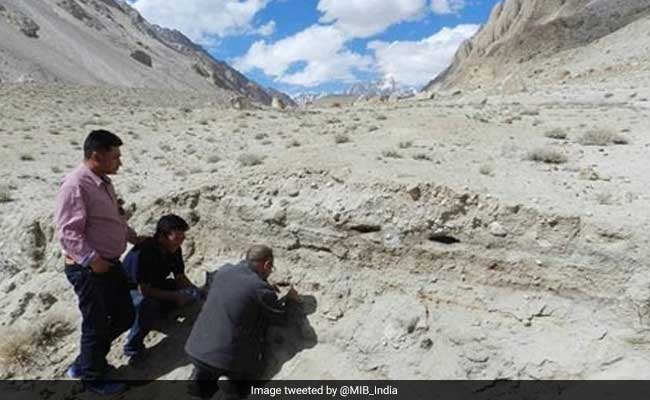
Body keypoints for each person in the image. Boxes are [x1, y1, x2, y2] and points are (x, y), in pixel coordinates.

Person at [54, 130, 143, 395]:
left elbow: (112, 217)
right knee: (96, 324)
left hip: (108, 264)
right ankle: (93, 378)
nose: (120, 162)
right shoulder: (75, 185)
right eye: (115, 156)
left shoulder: (103, 181)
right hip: (88, 269)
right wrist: (93, 261)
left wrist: (131, 236)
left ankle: (85, 362)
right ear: (97, 155)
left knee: (125, 315)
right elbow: (67, 232)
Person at [185, 245, 299, 399]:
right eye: (271, 268)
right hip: (226, 360)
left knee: (204, 380)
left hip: (195, 349)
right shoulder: (259, 288)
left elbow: (236, 293)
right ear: (266, 264)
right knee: (246, 379)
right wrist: (290, 300)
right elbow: (280, 318)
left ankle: (199, 384)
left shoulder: (224, 271)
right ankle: (233, 389)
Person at [121, 214, 201, 359]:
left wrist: (196, 292)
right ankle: (133, 348)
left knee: (185, 293)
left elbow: (179, 276)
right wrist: (175, 296)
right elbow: (144, 290)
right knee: (146, 304)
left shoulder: (174, 249)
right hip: (128, 292)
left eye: (182, 238)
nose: (180, 243)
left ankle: (159, 314)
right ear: (162, 237)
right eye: (176, 238)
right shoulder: (144, 252)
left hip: (155, 284)